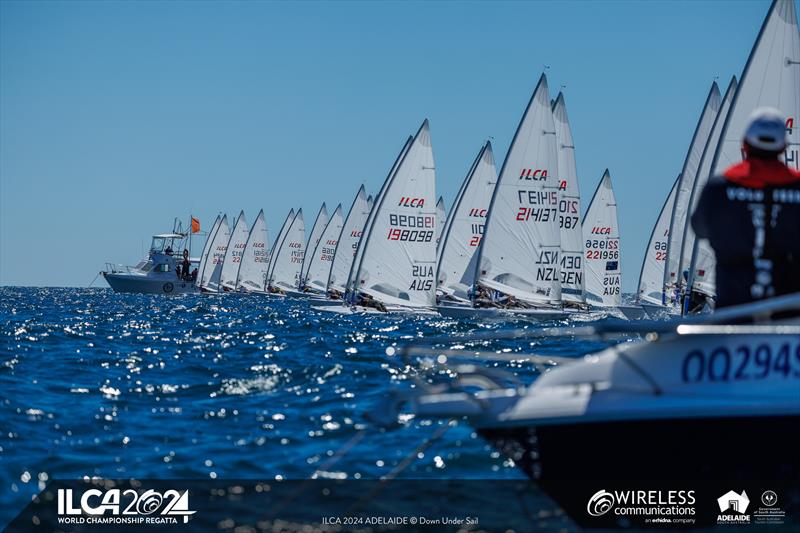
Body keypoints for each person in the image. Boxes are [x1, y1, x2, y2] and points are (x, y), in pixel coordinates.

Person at [691, 108, 800, 309]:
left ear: (745, 145)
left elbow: (700, 228)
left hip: (733, 313)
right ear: (784, 147)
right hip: (790, 318)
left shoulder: (719, 188)